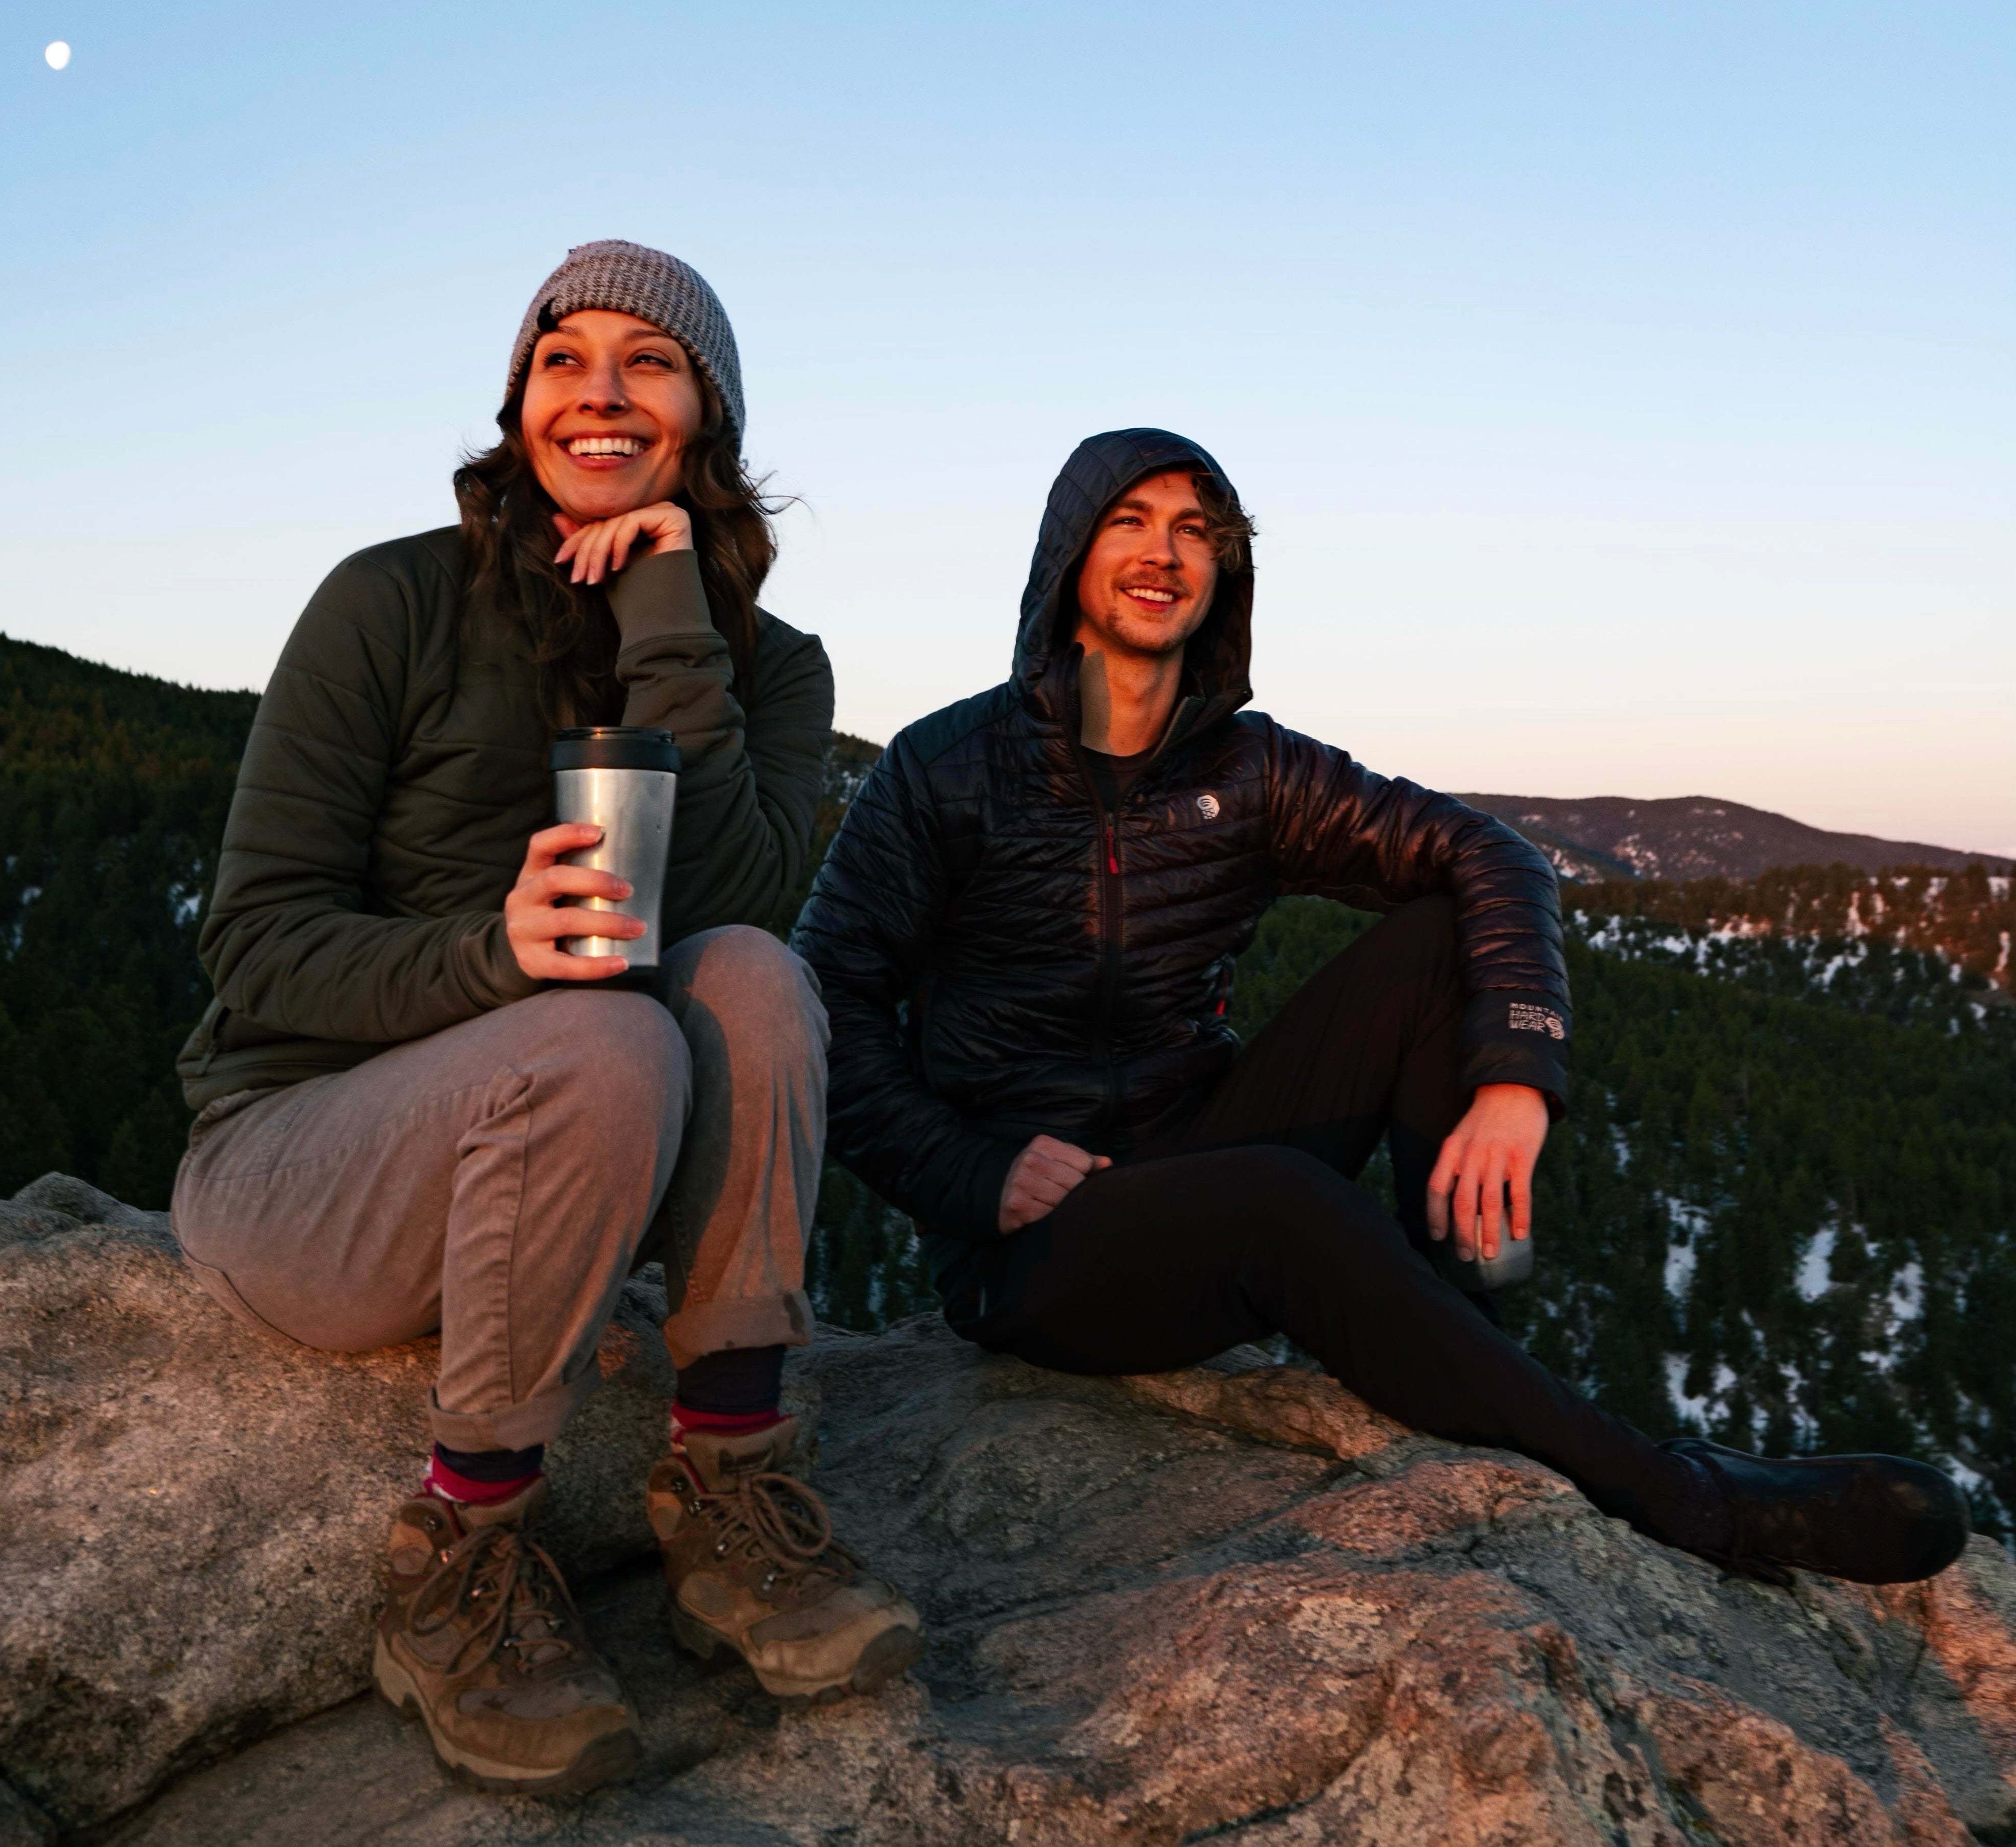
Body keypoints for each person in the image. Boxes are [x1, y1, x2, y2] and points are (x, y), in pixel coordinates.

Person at [792, 426, 1969, 1591]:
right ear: (1069, 556)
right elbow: (828, 1001)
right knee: (1278, 1201)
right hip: (1040, 1245)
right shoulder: (944, 769)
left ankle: (1458, 1356)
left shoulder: (1245, 768)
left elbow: (1488, 853)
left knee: (1440, 931)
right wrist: (976, 1172)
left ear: (1226, 573)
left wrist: (1517, 1075)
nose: (1165, 554)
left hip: (1199, 1145)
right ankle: (1691, 1500)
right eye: (1131, 522)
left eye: (1197, 531)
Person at [171, 242, 923, 1799]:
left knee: (752, 980)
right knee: (604, 1031)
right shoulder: (393, 601)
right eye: (559, 355)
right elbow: (253, 946)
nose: (598, 389)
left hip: (567, 1146)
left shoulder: (768, 668)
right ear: (518, 402)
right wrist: (493, 954)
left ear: (704, 415)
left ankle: (729, 1483)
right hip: (304, 1153)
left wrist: (667, 608)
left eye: (646, 362)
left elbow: (728, 897)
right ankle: (462, 1552)